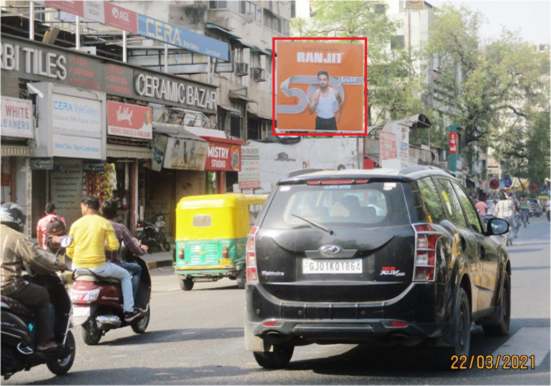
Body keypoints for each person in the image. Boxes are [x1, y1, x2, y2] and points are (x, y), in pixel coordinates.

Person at [1, 202, 67, 351]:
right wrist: (58, 265)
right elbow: (35, 258)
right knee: (42, 295)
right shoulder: (16, 237)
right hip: (8, 286)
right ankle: (45, 342)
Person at [67, 196, 142, 322]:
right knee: (125, 276)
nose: (81, 210)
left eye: (81, 207)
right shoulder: (104, 223)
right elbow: (114, 246)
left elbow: (69, 251)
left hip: (77, 267)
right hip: (98, 267)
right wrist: (102, 245)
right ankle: (129, 310)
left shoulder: (75, 224)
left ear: (87, 206)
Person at [101, 199, 147, 299]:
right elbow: (135, 249)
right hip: (114, 265)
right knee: (137, 269)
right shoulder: (120, 228)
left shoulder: (96, 226)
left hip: (97, 265)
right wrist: (143, 249)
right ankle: (131, 300)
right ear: (116, 212)